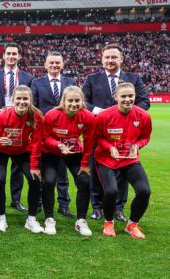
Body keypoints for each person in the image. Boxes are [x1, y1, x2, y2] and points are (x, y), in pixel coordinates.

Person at [82, 43, 150, 222]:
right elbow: (84, 102)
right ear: (102, 59)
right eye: (107, 57)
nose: (110, 60)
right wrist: (102, 113)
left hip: (125, 136)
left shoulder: (133, 78)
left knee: (123, 173)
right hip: (100, 132)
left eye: (114, 57)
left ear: (121, 59)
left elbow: (144, 102)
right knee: (97, 173)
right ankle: (97, 207)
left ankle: (118, 209)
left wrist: (126, 115)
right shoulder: (91, 78)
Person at [94, 82, 152, 239]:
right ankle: (108, 222)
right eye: (123, 96)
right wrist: (109, 147)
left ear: (135, 96)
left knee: (144, 191)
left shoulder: (143, 116)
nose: (127, 99)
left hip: (129, 160)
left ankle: (132, 224)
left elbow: (145, 137)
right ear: (116, 97)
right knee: (111, 191)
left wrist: (137, 146)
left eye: (130, 96)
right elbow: (97, 136)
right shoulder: (104, 116)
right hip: (107, 160)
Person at [0, 42, 34, 212]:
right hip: (0, 124)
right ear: (4, 56)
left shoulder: (29, 78)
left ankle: (16, 199)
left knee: (18, 169)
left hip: (20, 125)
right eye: (9, 54)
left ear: (19, 56)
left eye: (15, 54)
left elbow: (30, 103)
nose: (12, 56)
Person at [40, 86, 94, 236]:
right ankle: (49, 219)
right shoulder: (52, 115)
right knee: (49, 181)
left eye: (77, 100)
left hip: (74, 152)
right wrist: (58, 145)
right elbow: (45, 137)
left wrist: (84, 164)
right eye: (70, 100)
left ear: (82, 101)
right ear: (63, 101)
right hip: (52, 152)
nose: (74, 104)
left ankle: (81, 221)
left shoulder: (88, 117)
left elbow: (89, 142)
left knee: (84, 181)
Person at [0, 85, 43, 233]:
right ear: (12, 100)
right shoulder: (2, 116)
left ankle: (31, 219)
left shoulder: (37, 116)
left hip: (23, 151)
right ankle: (1, 218)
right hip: (2, 151)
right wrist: (0, 141)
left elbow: (37, 142)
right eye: (18, 98)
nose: (21, 102)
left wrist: (34, 166)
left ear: (30, 100)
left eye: (25, 98)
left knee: (34, 179)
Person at [31, 51, 76, 217]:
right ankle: (39, 203)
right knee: (42, 171)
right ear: (45, 65)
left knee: (62, 173)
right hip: (44, 134)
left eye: (58, 63)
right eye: (51, 63)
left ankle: (64, 204)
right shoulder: (36, 83)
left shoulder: (70, 82)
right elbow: (34, 106)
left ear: (63, 65)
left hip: (65, 134)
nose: (55, 66)